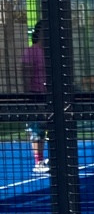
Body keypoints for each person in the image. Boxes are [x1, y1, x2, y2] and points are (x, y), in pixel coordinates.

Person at [21, 21, 49, 175]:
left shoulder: (50, 52)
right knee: (36, 128)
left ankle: (45, 159)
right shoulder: (31, 51)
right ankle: (38, 162)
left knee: (46, 126)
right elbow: (26, 73)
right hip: (35, 95)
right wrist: (28, 95)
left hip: (48, 95)